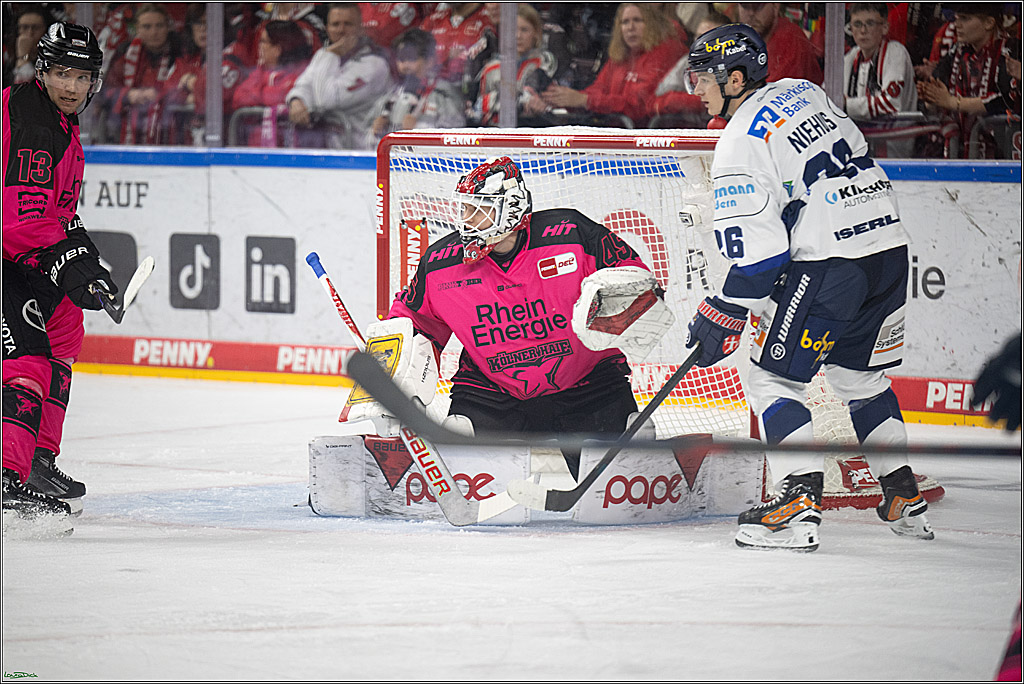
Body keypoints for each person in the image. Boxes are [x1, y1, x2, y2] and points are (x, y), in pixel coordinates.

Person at [682, 24, 933, 552]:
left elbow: (760, 261)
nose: (696, 88)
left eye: (703, 77)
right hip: (887, 249)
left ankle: (796, 506)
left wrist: (722, 309)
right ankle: (902, 494)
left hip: (831, 264)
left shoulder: (738, 144)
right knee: (859, 379)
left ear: (735, 79)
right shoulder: (802, 90)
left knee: (771, 378)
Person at [353, 157, 673, 479]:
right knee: (458, 455)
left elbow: (638, 283)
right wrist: (389, 389)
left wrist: (612, 309)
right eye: (464, 209)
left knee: (627, 464)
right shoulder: (440, 264)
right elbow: (411, 326)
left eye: (479, 209)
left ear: (512, 207)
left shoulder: (572, 235)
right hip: (491, 393)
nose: (466, 220)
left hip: (588, 385)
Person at [2, 23, 117, 534]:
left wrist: (85, 260)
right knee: (27, 357)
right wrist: (68, 262)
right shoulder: (32, 123)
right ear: (42, 71)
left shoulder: (59, 121)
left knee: (66, 328)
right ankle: (5, 480)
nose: (72, 86)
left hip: (20, 252)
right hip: (8, 251)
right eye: (62, 74)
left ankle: (36, 463)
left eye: (82, 76)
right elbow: (19, 221)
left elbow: (59, 214)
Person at [540, 3, 685, 127]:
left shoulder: (666, 51)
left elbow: (638, 105)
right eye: (625, 22)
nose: (630, 27)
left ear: (653, 24)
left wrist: (585, 100)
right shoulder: (620, 56)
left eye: (637, 20)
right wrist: (565, 99)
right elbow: (598, 90)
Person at [916, 3, 1022, 159]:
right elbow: (936, 89)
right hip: (960, 153)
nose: (957, 24)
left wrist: (953, 102)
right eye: (956, 18)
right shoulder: (958, 52)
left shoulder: (1012, 50)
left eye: (965, 19)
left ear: (989, 23)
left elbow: (1005, 102)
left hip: (1004, 155)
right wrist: (931, 98)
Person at [285, 3, 393, 150]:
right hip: (328, 151)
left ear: (360, 28)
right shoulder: (323, 55)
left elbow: (325, 101)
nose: (341, 30)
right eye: (335, 24)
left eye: (348, 24)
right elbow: (303, 85)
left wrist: (331, 54)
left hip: (362, 152)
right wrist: (296, 101)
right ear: (327, 29)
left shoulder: (375, 65)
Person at [843, 3, 919, 157]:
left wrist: (846, 105)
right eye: (857, 24)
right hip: (860, 151)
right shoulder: (851, 56)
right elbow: (829, 97)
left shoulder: (895, 52)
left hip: (895, 157)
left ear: (884, 27)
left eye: (870, 23)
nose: (863, 31)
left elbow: (890, 104)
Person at [101, 3, 184, 144]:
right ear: (137, 29)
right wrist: (128, 95)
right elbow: (105, 92)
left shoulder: (180, 52)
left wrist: (160, 95)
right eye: (147, 27)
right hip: (126, 133)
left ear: (168, 27)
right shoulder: (125, 53)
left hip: (171, 133)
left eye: (159, 26)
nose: (154, 32)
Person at [368, 29, 464, 143]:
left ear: (429, 61)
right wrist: (375, 131)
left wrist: (419, 129)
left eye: (411, 58)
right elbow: (364, 142)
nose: (405, 65)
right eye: (401, 59)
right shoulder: (389, 97)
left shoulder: (444, 95)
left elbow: (457, 139)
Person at [472, 3, 558, 126]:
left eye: (524, 30)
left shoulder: (546, 62)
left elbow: (542, 100)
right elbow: (477, 108)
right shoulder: (490, 69)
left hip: (533, 130)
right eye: (512, 30)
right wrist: (521, 100)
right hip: (494, 131)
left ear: (536, 33)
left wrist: (494, 100)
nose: (518, 36)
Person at [231, 21, 312, 147]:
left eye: (263, 41)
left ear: (277, 49)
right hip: (259, 149)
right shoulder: (259, 72)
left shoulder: (303, 72)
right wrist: (265, 94)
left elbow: (283, 95)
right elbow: (238, 98)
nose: (259, 46)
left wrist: (259, 94)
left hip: (295, 149)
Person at [736, 2, 823, 85]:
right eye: (745, 6)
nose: (751, 13)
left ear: (775, 6)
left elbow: (769, 90)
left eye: (758, 7)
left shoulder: (790, 39)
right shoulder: (740, 39)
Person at [7, 5, 51, 86]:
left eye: (35, 28)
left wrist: (23, 58)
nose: (30, 33)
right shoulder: (8, 58)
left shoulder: (51, 59)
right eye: (25, 27)